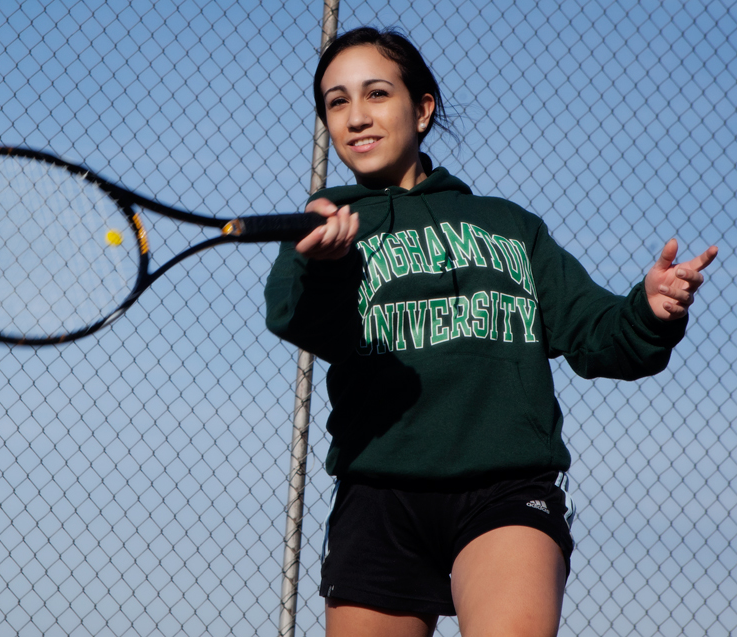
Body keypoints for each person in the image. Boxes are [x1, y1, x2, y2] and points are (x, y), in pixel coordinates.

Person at [264, 27, 717, 637]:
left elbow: (597, 334)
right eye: (336, 102)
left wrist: (649, 310)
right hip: (377, 495)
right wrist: (326, 268)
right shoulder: (324, 225)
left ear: (422, 108)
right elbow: (303, 323)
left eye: (375, 93)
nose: (356, 116)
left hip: (505, 491)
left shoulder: (509, 226)